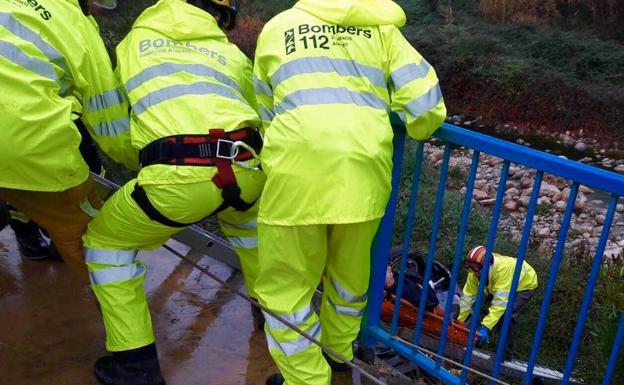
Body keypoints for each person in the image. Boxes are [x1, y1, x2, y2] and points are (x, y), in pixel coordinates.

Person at [252, 1, 447, 384]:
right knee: (349, 278)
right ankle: (338, 355)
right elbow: (427, 107)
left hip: (296, 172)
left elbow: (266, 107)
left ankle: (306, 378)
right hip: (364, 173)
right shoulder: (382, 28)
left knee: (285, 290)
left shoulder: (277, 27)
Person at [81, 1, 265, 384]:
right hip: (247, 170)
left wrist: (146, 163)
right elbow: (259, 110)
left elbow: (112, 124)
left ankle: (134, 366)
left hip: (176, 178)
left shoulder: (133, 44)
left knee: (105, 242)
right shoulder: (229, 52)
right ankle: (272, 317)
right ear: (218, 14)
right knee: (254, 240)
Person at [0, 0, 137, 277]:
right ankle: (119, 307)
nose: (98, 7)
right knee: (97, 243)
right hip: (28, 147)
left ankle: (28, 237)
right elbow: (109, 119)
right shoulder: (74, 24)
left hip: (16, 141)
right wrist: (144, 163)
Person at [458, 245, 538, 354]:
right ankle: (468, 344)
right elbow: (466, 299)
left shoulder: (503, 270)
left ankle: (504, 354)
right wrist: (458, 322)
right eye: (469, 266)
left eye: (475, 267)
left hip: (523, 284)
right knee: (478, 310)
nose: (472, 270)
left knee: (507, 316)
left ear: (487, 265)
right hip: (496, 284)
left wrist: (486, 327)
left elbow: (500, 304)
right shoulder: (473, 273)